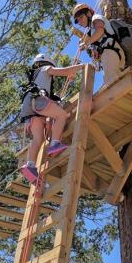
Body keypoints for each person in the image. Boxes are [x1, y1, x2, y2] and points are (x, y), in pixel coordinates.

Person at [19, 54, 85, 184]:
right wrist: (81, 67)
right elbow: (63, 71)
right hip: (37, 100)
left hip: (29, 107)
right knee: (61, 115)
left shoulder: (35, 76)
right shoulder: (45, 68)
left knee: (39, 139)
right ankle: (55, 144)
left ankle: (30, 165)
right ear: (47, 63)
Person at [72, 3, 126, 85]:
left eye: (81, 17)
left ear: (89, 13)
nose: (80, 21)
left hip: (110, 52)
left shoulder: (96, 17)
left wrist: (86, 43)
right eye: (77, 20)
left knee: (111, 83)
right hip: (111, 54)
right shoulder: (91, 30)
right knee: (117, 83)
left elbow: (100, 31)